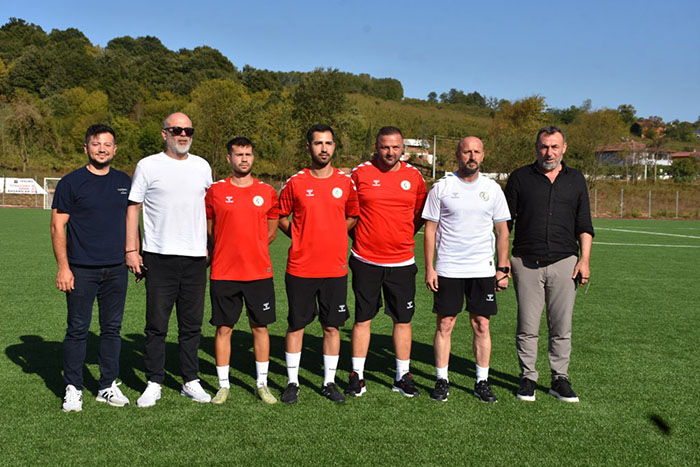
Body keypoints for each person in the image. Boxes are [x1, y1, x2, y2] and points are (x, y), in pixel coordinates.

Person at [126, 112, 213, 407]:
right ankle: (154, 381)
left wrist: (210, 245)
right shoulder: (148, 165)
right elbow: (133, 208)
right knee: (156, 325)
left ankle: (190, 380)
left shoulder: (202, 166)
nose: (183, 134)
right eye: (177, 130)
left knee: (191, 325)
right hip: (159, 256)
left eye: (188, 130)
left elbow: (209, 210)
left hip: (195, 258)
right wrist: (131, 250)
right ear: (164, 133)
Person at [504, 126, 594, 403]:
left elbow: (584, 223)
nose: (549, 152)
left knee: (561, 327)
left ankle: (559, 379)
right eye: (544, 146)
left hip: (565, 262)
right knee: (527, 326)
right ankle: (528, 378)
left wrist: (585, 260)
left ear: (564, 148)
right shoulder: (520, 177)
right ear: (536, 147)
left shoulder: (576, 179)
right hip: (525, 262)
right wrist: (503, 261)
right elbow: (504, 224)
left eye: (555, 147)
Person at [422, 137, 511, 403]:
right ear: (458, 154)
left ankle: (482, 381)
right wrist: (430, 268)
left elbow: (502, 231)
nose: (472, 156)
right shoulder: (442, 187)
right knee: (445, 324)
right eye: (467, 151)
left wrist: (502, 268)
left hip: (482, 269)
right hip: (449, 268)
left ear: (483, 155)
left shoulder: (493, 189)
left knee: (482, 324)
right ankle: (442, 379)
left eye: (476, 152)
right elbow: (430, 230)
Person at [51, 124, 132, 412]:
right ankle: (73, 387)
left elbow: (131, 221)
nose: (102, 149)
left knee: (112, 329)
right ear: (86, 148)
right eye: (96, 144)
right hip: (81, 269)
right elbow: (57, 226)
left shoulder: (124, 181)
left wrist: (133, 255)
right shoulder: (71, 182)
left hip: (116, 269)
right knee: (77, 330)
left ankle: (107, 385)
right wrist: (63, 268)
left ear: (115, 149)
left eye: (107, 144)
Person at [278, 124, 359, 404]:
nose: (323, 148)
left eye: (328, 143)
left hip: (334, 269)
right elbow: (280, 216)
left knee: (332, 326)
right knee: (296, 325)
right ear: (309, 147)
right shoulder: (296, 182)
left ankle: (328, 382)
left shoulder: (345, 183)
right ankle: (292, 382)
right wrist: (299, 235)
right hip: (300, 268)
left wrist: (334, 233)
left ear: (334, 146)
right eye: (318, 143)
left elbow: (353, 216)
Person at [346, 126, 426, 397]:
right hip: (365, 259)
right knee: (363, 318)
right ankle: (357, 375)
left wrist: (401, 236)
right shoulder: (360, 173)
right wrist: (363, 237)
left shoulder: (414, 176)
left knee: (402, 319)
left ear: (402, 148)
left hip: (402, 261)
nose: (390, 152)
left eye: (395, 147)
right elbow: (348, 212)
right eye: (385, 147)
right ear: (376, 148)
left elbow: (419, 215)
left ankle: (402, 376)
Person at [205, 137, 279, 405]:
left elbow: (271, 231)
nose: (244, 159)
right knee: (224, 328)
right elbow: (210, 229)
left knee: (260, 327)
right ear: (229, 158)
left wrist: (253, 247)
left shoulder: (267, 191)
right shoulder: (215, 191)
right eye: (239, 154)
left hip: (258, 272)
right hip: (224, 272)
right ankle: (223, 386)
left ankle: (262, 384)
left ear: (253, 157)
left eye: (248, 154)